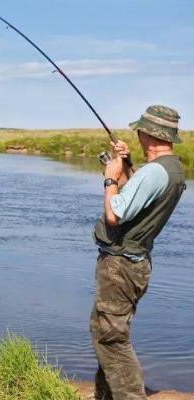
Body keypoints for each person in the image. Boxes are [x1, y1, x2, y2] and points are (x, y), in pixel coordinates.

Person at [90, 105, 186, 400]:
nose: (138, 134)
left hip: (121, 266)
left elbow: (114, 214)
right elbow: (137, 195)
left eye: (140, 130)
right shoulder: (172, 168)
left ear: (149, 133)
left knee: (111, 339)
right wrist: (127, 163)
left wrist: (110, 176)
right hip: (133, 263)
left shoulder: (155, 172)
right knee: (106, 331)